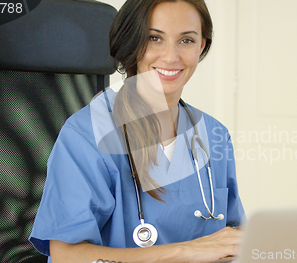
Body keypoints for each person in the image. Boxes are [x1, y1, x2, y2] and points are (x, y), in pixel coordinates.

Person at [29, 0, 245, 262]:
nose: (171, 56)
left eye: (186, 40)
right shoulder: (86, 134)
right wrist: (185, 252)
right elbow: (66, 255)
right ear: (132, 43)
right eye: (154, 38)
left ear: (201, 45)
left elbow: (234, 232)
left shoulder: (214, 134)